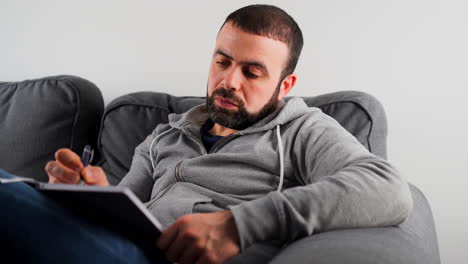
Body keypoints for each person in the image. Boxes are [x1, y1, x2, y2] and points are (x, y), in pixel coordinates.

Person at [0, 4, 413, 264]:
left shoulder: (307, 130)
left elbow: (388, 189)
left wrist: (236, 226)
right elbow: (126, 209)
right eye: (222, 61)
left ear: (285, 85)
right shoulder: (164, 137)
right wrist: (85, 197)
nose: (229, 81)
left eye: (252, 71)